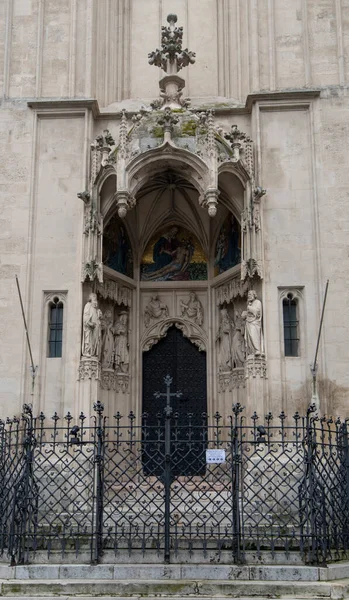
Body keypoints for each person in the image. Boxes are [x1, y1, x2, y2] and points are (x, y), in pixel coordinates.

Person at [242, 290, 264, 357]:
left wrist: (249, 308)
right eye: (248, 295)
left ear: (254, 295)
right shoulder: (249, 304)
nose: (249, 296)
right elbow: (249, 313)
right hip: (249, 322)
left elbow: (258, 312)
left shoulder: (257, 302)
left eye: (250, 294)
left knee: (254, 335)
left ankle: (257, 349)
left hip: (255, 322)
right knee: (250, 337)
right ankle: (251, 351)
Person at [82, 293, 102, 358]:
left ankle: (93, 353)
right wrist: (89, 323)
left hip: (96, 328)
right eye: (94, 299)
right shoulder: (88, 305)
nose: (96, 302)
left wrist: (99, 316)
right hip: (90, 328)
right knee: (89, 339)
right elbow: (85, 317)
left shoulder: (96, 310)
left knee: (95, 341)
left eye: (96, 300)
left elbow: (97, 319)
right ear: (91, 299)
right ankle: (87, 351)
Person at [216, 308, 233, 372]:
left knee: (226, 352)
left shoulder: (227, 321)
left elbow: (229, 330)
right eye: (221, 314)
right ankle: (223, 367)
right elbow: (220, 332)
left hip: (226, 339)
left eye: (222, 314)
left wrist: (224, 330)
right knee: (222, 352)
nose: (221, 316)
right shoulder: (222, 322)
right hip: (223, 340)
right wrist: (218, 335)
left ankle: (226, 367)